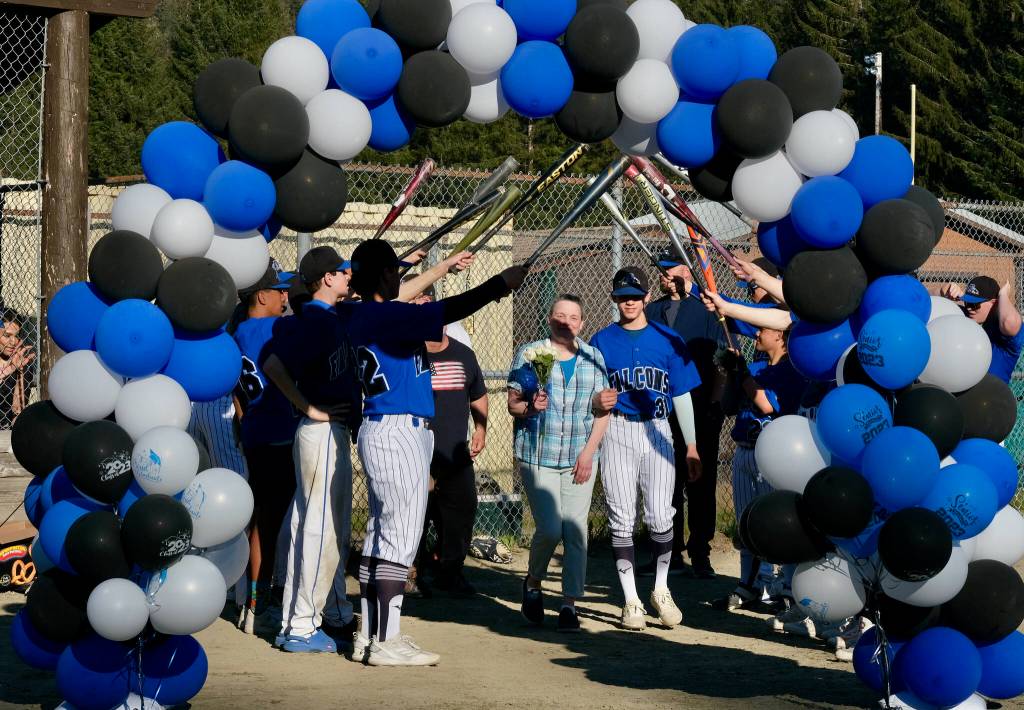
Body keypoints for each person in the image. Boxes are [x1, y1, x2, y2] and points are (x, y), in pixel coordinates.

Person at [343, 238, 526, 667]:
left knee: (381, 534)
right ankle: (384, 640)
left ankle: (372, 634)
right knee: (400, 538)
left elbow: (397, 295)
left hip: (386, 429)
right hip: (398, 427)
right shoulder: (388, 315)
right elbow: (449, 310)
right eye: (393, 272)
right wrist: (499, 284)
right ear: (383, 276)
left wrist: (431, 267)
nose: (399, 278)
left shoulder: (356, 312)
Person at [590, 267, 702, 631]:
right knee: (622, 517)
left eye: (635, 296)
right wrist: (596, 400)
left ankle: (660, 589)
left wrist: (692, 445)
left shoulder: (668, 339)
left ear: (647, 297)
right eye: (623, 297)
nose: (630, 302)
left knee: (660, 515)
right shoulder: (602, 341)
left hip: (658, 430)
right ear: (614, 299)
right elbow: (591, 395)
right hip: (618, 431)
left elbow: (682, 394)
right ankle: (631, 600)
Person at [263, 246, 361, 654]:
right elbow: (272, 364)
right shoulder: (316, 322)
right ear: (326, 278)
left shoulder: (328, 316)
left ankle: (321, 615)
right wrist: (307, 407)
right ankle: (300, 625)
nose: (347, 276)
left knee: (325, 527)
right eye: (341, 272)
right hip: (319, 431)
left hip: (328, 432)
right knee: (317, 530)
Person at [509, 294, 612, 633]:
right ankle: (534, 582)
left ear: (581, 323)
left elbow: (602, 411)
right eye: (560, 315)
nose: (566, 321)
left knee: (576, 531)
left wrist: (588, 453)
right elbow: (513, 404)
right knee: (551, 528)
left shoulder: (593, 358)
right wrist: (530, 407)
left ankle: (569, 603)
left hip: (579, 457)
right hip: (539, 454)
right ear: (550, 319)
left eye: (573, 317)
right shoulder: (531, 353)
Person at [705, 319, 807, 614]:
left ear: (780, 336)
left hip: (773, 455)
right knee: (746, 524)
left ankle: (787, 592)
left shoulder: (791, 371)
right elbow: (728, 407)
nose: (757, 334)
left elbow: (766, 405)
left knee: (778, 524)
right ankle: (748, 587)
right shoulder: (757, 368)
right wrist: (729, 373)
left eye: (763, 330)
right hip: (744, 451)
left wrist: (743, 372)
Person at [643, 249, 725, 579]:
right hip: (661, 411)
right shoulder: (652, 310)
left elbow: (723, 356)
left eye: (669, 269)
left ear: (685, 270)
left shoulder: (705, 308)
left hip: (701, 405)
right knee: (665, 481)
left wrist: (717, 400)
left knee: (701, 481)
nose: (664, 276)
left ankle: (700, 551)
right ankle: (669, 551)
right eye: (660, 271)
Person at [232, 260, 300, 635]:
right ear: (261, 295)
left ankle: (252, 604)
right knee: (271, 526)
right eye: (279, 291)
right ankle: (260, 608)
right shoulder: (270, 326)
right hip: (278, 435)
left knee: (262, 522)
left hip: (257, 432)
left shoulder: (238, 330)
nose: (286, 297)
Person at [418, 321, 488, 597]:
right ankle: (412, 571)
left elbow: (478, 394)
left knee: (463, 506)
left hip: (454, 451)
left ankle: (451, 572)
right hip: (416, 450)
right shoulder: (408, 353)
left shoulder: (463, 354)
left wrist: (481, 429)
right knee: (417, 513)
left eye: (432, 312)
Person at [941, 275, 1024, 382]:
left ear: (994, 303)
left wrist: (1003, 295)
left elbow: (1009, 321)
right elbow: (924, 299)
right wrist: (944, 289)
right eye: (967, 302)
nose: (970, 308)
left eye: (975, 304)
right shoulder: (968, 317)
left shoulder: (1004, 336)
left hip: (992, 397)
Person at [0, 314, 34, 429]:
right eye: (6, 335)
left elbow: (18, 410)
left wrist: (19, 372)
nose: (13, 341)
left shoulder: (23, 364)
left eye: (16, 336)